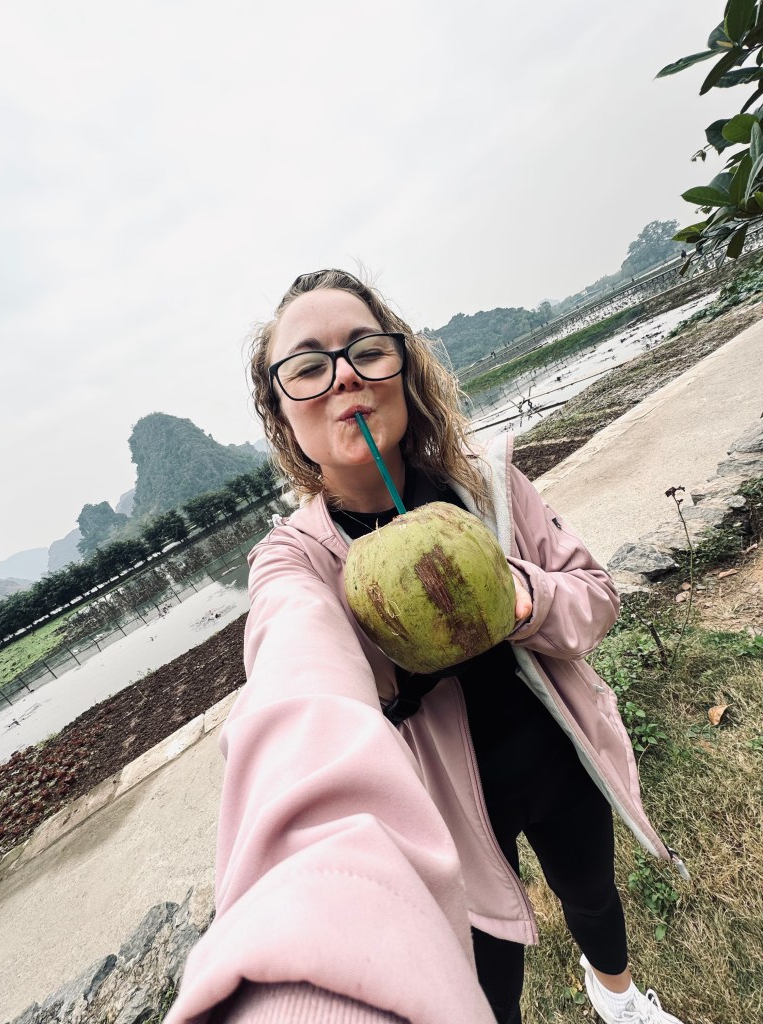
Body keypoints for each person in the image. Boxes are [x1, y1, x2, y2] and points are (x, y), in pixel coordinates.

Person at [165, 269, 689, 1024]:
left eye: (366, 350)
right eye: (308, 367)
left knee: (595, 895)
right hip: (445, 820)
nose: (345, 374)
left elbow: (595, 597)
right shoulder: (296, 564)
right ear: (282, 416)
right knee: (487, 987)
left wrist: (517, 598)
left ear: (401, 368)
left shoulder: (486, 487)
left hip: (557, 759)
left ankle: (620, 1000)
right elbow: (295, 679)